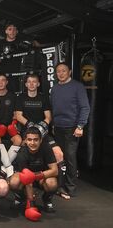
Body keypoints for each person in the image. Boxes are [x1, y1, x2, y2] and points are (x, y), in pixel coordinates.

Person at [15, 74, 65, 193]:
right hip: (28, 133)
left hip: (42, 132)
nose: (32, 84)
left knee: (59, 154)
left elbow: (48, 117)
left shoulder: (43, 98)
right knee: (22, 153)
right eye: (29, 82)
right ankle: (23, 188)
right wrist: (31, 126)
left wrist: (40, 127)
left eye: (34, 82)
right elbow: (18, 116)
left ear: (38, 84)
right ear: (26, 84)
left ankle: (60, 187)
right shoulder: (21, 98)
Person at [50, 62, 90, 199]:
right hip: (59, 127)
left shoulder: (77, 87)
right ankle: (60, 186)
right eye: (58, 71)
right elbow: (55, 109)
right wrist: (54, 125)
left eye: (64, 71)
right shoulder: (55, 89)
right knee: (59, 158)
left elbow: (85, 107)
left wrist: (80, 126)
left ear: (70, 72)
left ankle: (70, 188)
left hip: (72, 128)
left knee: (70, 157)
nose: (61, 73)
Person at [9, 127, 58, 221]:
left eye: (36, 140)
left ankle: (47, 199)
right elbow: (27, 179)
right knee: (14, 182)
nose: (32, 143)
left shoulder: (46, 148)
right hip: (26, 180)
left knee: (52, 183)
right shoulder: (22, 153)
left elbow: (54, 170)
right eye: (29, 140)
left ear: (40, 140)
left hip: (42, 177)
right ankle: (20, 197)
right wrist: (31, 204)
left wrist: (35, 176)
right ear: (25, 141)